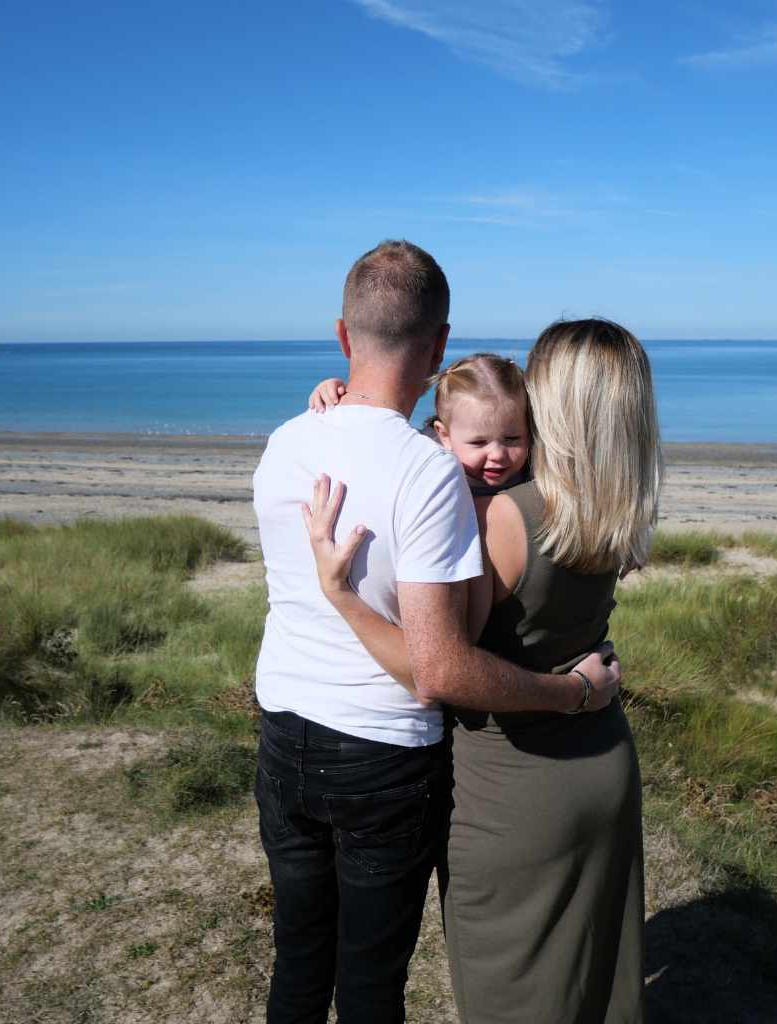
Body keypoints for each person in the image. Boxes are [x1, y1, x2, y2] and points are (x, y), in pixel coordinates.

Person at [252, 240, 621, 1024]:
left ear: (344, 335)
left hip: (282, 730)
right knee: (369, 981)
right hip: (380, 754)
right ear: (439, 343)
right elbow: (440, 671)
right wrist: (573, 693)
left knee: (299, 961)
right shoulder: (428, 474)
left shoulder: (287, 440)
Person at [309, 352, 531, 496]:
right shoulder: (426, 456)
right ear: (444, 436)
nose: (498, 454)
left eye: (512, 439)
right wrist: (338, 392)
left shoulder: (536, 466)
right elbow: (368, 441)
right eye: (479, 442)